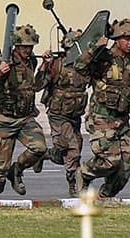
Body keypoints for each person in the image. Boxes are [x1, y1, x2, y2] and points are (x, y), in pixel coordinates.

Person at [74, 19, 130, 198]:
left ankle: (105, 197)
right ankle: (84, 173)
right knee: (110, 161)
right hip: (101, 119)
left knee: (125, 168)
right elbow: (79, 66)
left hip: (122, 120)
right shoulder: (103, 57)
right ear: (117, 39)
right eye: (126, 39)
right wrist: (95, 49)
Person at [0, 24, 48, 200]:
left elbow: (35, 86)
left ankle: (17, 170)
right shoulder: (1, 61)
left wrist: (44, 67)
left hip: (25, 118)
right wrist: (0, 73)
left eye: (30, 47)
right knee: (2, 166)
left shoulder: (32, 62)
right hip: (4, 120)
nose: (28, 50)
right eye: (24, 47)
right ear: (16, 46)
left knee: (39, 148)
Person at [34, 28, 90, 196]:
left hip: (74, 116)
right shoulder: (57, 64)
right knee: (72, 148)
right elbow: (37, 85)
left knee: (66, 151)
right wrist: (45, 65)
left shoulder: (85, 66)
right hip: (58, 115)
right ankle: (75, 185)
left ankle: (44, 155)